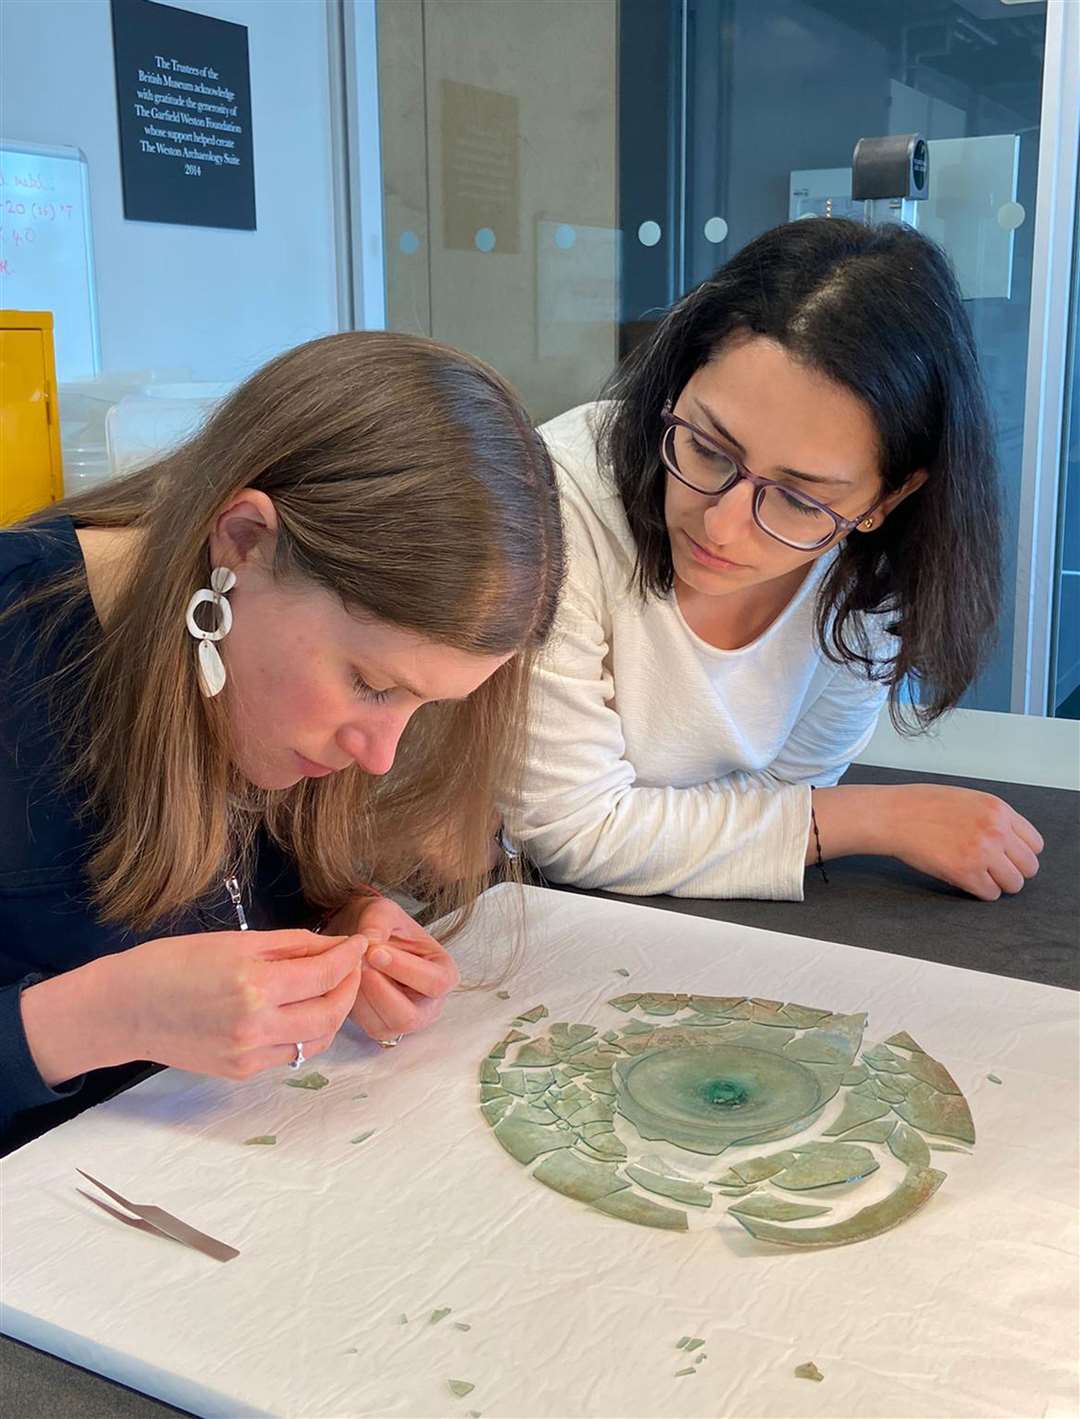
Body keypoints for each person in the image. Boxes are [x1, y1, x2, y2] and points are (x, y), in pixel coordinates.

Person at [1, 331, 564, 1154]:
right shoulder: (17, 638)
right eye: (371, 683)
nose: (379, 753)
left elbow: (247, 883)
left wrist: (345, 914)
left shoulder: (262, 673)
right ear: (240, 540)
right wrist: (101, 1017)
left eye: (421, 705)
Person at [503, 218, 1043, 902]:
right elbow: (575, 828)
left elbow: (792, 787)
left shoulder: (871, 577)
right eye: (708, 448)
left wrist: (740, 825)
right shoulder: (556, 504)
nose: (722, 527)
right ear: (674, 386)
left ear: (890, 496)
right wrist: (874, 817)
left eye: (797, 498)